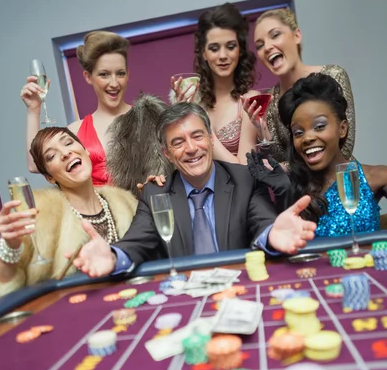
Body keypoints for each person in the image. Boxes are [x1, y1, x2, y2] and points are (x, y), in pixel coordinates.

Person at [70, 102, 317, 278]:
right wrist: (113, 257)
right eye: (178, 142)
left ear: (211, 138)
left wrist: (272, 234)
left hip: (238, 290)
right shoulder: (155, 193)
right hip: (185, 299)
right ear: (166, 153)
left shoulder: (243, 179)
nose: (190, 148)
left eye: (197, 136)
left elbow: (262, 223)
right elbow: (135, 243)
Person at [0, 127, 137, 300]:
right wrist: (10, 246)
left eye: (68, 143)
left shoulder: (126, 202)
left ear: (86, 151)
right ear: (50, 177)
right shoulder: (39, 216)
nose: (66, 153)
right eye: (51, 156)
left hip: (133, 300)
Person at [249, 73, 384, 237]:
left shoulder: (375, 177)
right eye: (298, 132)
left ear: (342, 129)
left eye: (319, 126)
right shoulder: (295, 189)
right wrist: (282, 191)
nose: (307, 138)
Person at [244, 8, 355, 164]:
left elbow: (346, 146)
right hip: (301, 188)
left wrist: (293, 169)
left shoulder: (333, 75)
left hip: (340, 179)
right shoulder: (271, 100)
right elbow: (280, 159)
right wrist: (262, 129)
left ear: (297, 35)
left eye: (275, 35)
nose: (267, 47)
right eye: (260, 45)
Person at [21, 31, 131, 185]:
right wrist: (33, 110)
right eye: (104, 74)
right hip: (104, 208)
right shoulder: (76, 131)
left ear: (127, 75)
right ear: (88, 76)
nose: (114, 83)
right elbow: (35, 164)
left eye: (120, 73)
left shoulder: (149, 118)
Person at [172, 3, 259, 164]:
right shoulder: (195, 102)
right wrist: (181, 115)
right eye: (214, 48)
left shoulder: (249, 102)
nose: (223, 55)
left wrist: (203, 126)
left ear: (240, 50)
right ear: (204, 53)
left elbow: (245, 169)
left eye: (230, 46)